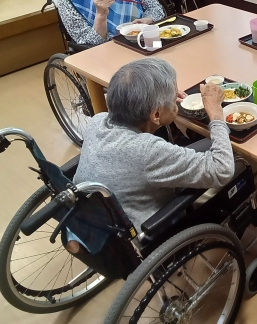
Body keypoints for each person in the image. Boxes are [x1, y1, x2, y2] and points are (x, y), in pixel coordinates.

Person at [74, 58, 234, 232]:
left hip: (98, 223)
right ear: (156, 114)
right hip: (151, 232)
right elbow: (222, 169)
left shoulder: (97, 121)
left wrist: (165, 100)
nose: (174, 98)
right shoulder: (148, 151)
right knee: (237, 157)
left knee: (205, 145)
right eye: (172, 97)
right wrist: (216, 113)